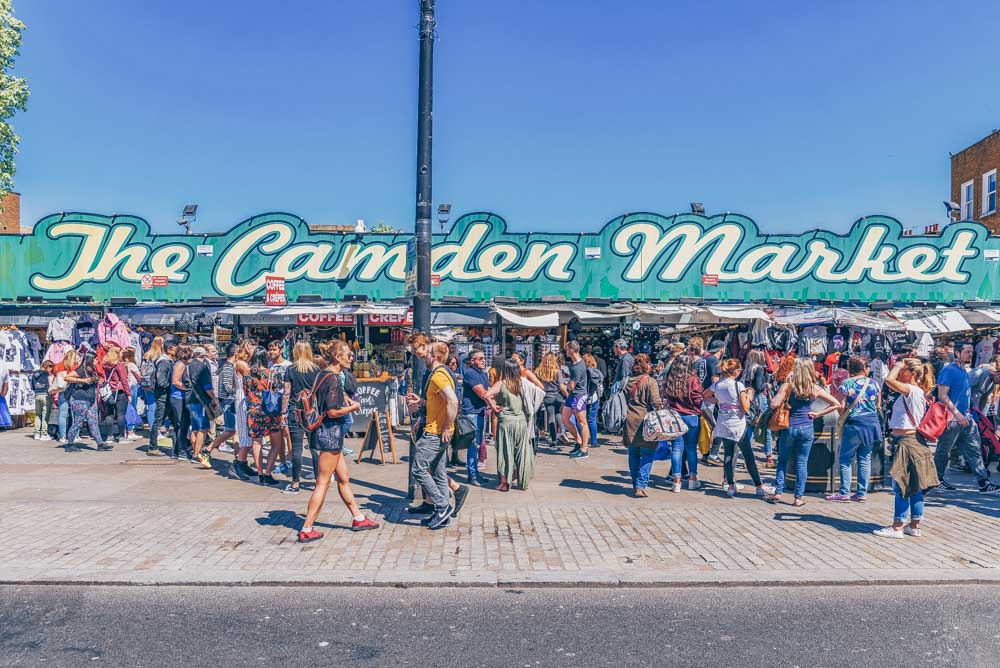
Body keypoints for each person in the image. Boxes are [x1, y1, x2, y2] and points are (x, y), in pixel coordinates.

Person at [298, 340, 377, 542]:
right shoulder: (332, 378)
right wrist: (353, 407)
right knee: (322, 483)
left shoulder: (324, 374)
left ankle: (358, 517)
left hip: (329, 435)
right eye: (348, 355)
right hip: (329, 435)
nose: (351, 358)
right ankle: (307, 528)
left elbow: (328, 397)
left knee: (343, 478)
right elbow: (332, 412)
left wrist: (344, 398)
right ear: (337, 357)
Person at [874, 358, 940, 538]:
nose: (900, 373)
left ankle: (897, 527)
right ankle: (914, 525)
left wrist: (896, 365)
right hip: (915, 441)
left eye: (904, 370)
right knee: (916, 486)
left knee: (901, 485)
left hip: (907, 440)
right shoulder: (918, 392)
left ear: (912, 374)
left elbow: (888, 381)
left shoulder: (912, 390)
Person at [405, 337, 460, 530]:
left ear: (435, 356)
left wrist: (446, 426)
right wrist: (421, 402)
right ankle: (441, 513)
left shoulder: (438, 375)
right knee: (437, 471)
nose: (423, 356)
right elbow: (440, 402)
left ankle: (442, 505)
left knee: (418, 469)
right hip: (438, 430)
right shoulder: (440, 374)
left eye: (427, 353)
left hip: (435, 432)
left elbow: (453, 401)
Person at [768, 357, 840, 506]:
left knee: (782, 460)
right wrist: (818, 414)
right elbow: (836, 404)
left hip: (789, 427)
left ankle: (778, 492)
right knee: (802, 462)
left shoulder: (788, 386)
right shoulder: (814, 388)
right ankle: (798, 498)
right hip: (807, 427)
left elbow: (774, 404)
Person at [933, 344, 1000, 493]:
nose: (970, 354)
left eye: (972, 352)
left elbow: (973, 396)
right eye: (967, 352)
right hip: (952, 418)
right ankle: (936, 479)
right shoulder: (950, 370)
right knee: (944, 450)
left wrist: (972, 414)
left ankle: (983, 482)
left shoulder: (964, 371)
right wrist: (957, 414)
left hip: (967, 419)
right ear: (957, 353)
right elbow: (942, 395)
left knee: (974, 449)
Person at [704, 358, 767, 498]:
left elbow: (705, 395)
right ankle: (759, 485)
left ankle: (731, 485)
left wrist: (719, 401)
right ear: (736, 371)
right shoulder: (738, 385)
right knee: (748, 455)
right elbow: (745, 408)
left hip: (724, 422)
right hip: (738, 424)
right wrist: (748, 395)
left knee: (728, 453)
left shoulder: (718, 384)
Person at [826, 356, 882, 503]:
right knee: (865, 458)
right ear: (865, 369)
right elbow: (878, 405)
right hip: (871, 423)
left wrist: (843, 417)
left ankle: (844, 492)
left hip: (854, 423)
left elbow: (841, 405)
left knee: (845, 458)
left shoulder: (847, 383)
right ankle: (861, 492)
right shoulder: (875, 384)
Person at [485, 358, 535, 491]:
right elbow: (539, 390)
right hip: (522, 422)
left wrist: (494, 406)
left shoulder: (501, 383)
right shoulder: (522, 383)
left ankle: (504, 483)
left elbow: (487, 395)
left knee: (506, 452)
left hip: (506, 422)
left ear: (505, 370)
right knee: (522, 452)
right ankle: (522, 481)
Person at [622, 353, 662, 497]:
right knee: (647, 454)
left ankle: (635, 484)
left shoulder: (627, 381)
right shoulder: (650, 381)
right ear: (647, 366)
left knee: (633, 453)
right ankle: (641, 485)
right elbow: (656, 403)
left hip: (629, 420)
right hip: (646, 422)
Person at [662, 353, 702, 492]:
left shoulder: (670, 378)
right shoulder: (693, 379)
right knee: (691, 448)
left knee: (677, 448)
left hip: (675, 415)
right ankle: (692, 479)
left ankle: (676, 481)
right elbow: (697, 398)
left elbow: (665, 395)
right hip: (691, 416)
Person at [244, 347, 281, 486]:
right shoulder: (272, 373)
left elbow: (246, 392)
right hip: (270, 411)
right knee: (275, 444)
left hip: (253, 411)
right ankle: (268, 473)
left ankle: (260, 473)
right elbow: (277, 391)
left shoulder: (248, 374)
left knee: (256, 442)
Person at [64, 353, 110, 452]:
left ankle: (100, 443)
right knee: (78, 422)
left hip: (91, 400)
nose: (97, 361)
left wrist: (98, 381)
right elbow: (67, 377)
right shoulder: (80, 370)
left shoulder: (93, 370)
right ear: (90, 359)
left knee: (93, 422)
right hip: (79, 400)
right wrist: (82, 380)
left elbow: (93, 381)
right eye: (95, 359)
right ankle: (70, 444)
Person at [186, 346, 221, 469]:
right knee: (203, 428)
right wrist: (214, 398)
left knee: (194, 428)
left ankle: (194, 452)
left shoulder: (188, 366)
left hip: (189, 399)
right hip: (200, 400)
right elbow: (207, 387)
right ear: (204, 355)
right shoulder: (203, 367)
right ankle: (197, 454)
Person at [460, 348, 490, 486]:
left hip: (480, 412)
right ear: (473, 361)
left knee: (477, 444)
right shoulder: (470, 373)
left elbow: (487, 392)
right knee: (473, 445)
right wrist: (495, 404)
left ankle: (475, 473)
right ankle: (472, 475)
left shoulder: (483, 374)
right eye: (480, 358)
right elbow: (483, 393)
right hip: (472, 413)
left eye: (484, 357)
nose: (484, 360)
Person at [741, 349, 774, 467]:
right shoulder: (759, 369)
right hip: (759, 399)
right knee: (765, 428)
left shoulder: (746, 371)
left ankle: (747, 458)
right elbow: (759, 386)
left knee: (749, 428)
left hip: (748, 399)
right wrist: (767, 385)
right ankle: (769, 457)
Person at [206, 343, 238, 457]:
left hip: (228, 401)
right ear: (236, 353)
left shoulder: (225, 365)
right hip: (229, 402)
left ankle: (238, 457)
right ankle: (207, 450)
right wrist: (239, 390)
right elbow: (227, 386)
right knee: (230, 430)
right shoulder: (228, 366)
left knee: (233, 431)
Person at [265, 340, 292, 476]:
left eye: (274, 349)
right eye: (270, 349)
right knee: (277, 434)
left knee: (287, 433)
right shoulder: (268, 365)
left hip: (285, 403)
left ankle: (292, 459)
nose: (271, 352)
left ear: (281, 350)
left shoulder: (289, 366)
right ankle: (283, 462)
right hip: (272, 403)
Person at [561, 341, 591, 460]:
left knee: (582, 421)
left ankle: (584, 448)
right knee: (565, 418)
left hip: (579, 395)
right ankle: (578, 441)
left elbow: (572, 386)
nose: (565, 351)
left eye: (566, 348)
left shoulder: (578, 366)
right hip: (573, 395)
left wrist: (565, 382)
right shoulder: (574, 363)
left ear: (571, 350)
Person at [142, 337, 171, 456]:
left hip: (148, 386)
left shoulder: (148, 354)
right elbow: (161, 379)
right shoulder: (162, 358)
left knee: (151, 407)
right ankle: (153, 445)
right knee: (158, 414)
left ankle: (156, 436)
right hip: (160, 390)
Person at [100, 345, 131, 444]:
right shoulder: (119, 365)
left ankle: (109, 436)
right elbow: (124, 380)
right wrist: (128, 393)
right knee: (121, 415)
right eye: (121, 352)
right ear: (117, 353)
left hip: (108, 391)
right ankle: (121, 436)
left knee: (109, 414)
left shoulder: (106, 364)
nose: (122, 354)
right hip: (119, 391)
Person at [167, 345, 193, 460]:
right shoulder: (180, 364)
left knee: (181, 425)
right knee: (181, 425)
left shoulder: (182, 364)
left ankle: (177, 450)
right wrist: (188, 388)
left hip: (179, 397)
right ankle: (180, 450)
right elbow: (175, 381)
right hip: (178, 398)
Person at [536, 352, 563, 445]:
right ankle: (562, 431)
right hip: (558, 395)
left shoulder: (539, 371)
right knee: (558, 413)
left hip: (547, 396)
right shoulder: (557, 371)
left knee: (551, 416)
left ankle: (554, 439)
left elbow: (536, 383)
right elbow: (561, 385)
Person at [53, 348, 79, 444]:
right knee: (75, 414)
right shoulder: (76, 366)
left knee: (62, 415)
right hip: (74, 391)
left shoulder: (58, 366)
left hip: (62, 391)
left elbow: (54, 374)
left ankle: (63, 437)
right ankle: (75, 436)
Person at [583, 353, 604, 450]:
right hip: (594, 397)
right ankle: (594, 441)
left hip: (585, 398)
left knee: (582, 420)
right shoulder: (597, 372)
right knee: (592, 419)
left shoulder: (585, 372)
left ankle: (583, 440)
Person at [31, 360, 54, 441]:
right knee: (45, 415)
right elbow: (49, 385)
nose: (51, 370)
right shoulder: (46, 374)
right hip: (45, 395)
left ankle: (36, 433)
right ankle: (44, 433)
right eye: (51, 367)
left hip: (37, 395)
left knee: (37, 414)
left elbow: (32, 386)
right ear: (47, 366)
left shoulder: (34, 373)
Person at [122, 347, 142, 440]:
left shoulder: (121, 364)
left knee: (125, 409)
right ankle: (130, 431)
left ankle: (125, 430)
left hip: (124, 386)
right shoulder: (132, 365)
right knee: (132, 408)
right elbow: (139, 377)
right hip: (132, 387)